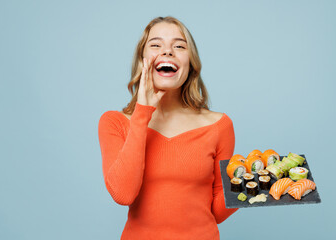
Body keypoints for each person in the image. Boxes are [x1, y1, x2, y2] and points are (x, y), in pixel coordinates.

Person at [98, 16, 238, 240]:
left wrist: (255, 184)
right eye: (155, 45)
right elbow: (123, 194)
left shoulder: (219, 126)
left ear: (190, 62)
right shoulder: (115, 122)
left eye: (179, 46)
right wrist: (142, 113)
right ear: (142, 60)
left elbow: (216, 212)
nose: (168, 51)